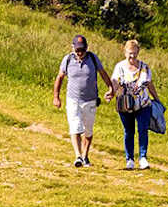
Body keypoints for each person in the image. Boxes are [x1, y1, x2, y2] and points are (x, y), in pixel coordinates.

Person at [54, 32, 106, 167]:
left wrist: (111, 89)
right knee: (75, 127)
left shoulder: (93, 59)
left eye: (82, 49)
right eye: (77, 50)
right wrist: (56, 97)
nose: (80, 52)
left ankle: (85, 155)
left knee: (88, 131)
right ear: (72, 48)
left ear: (86, 48)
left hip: (90, 100)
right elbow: (59, 78)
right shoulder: (68, 60)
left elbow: (103, 73)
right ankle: (78, 156)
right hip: (73, 99)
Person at [110, 38, 157, 170]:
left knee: (143, 130)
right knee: (129, 132)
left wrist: (157, 98)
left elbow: (149, 83)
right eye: (130, 53)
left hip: (143, 105)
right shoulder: (119, 67)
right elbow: (115, 82)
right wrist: (111, 93)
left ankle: (143, 157)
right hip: (125, 105)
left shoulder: (144, 67)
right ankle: (129, 159)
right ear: (125, 52)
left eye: (135, 53)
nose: (132, 56)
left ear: (138, 52)